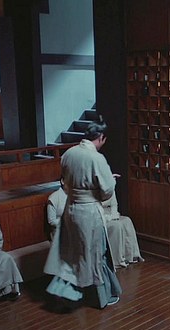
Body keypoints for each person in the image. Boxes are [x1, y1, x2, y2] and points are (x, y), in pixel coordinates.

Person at [44, 118, 122, 308]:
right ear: (101, 137)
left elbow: (68, 181)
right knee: (95, 254)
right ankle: (99, 298)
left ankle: (71, 292)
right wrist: (111, 181)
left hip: (71, 208)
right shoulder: (96, 158)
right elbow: (106, 191)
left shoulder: (69, 153)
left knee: (73, 254)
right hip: (89, 212)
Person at [101, 181, 143, 268]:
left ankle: (130, 256)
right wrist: (109, 218)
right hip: (100, 216)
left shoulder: (110, 188)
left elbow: (114, 204)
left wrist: (114, 215)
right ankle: (116, 259)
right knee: (116, 226)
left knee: (127, 221)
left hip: (111, 214)